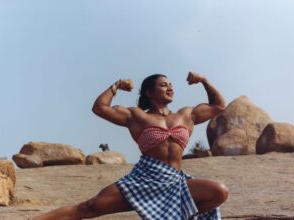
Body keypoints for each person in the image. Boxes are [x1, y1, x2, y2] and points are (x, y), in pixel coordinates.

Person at [33, 72, 228, 220]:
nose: (170, 88)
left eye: (171, 85)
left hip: (175, 182)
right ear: (149, 92)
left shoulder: (186, 114)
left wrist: (203, 80)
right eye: (163, 85)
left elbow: (219, 105)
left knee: (219, 191)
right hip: (143, 180)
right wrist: (116, 85)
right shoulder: (136, 116)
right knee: (89, 207)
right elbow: (100, 108)